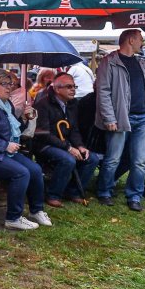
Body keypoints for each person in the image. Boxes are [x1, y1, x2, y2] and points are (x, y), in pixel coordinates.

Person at [0, 70, 51, 230]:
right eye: (4, 84)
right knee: (21, 173)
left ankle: (36, 210)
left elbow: (15, 129)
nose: (9, 87)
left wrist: (27, 118)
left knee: (35, 169)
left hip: (2, 151)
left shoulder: (7, 105)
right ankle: (13, 218)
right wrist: (4, 145)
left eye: (10, 84)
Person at [94, 30, 145, 211]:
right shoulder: (109, 62)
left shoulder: (141, 62)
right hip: (120, 116)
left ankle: (135, 196)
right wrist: (109, 118)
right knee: (113, 158)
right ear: (131, 40)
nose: (142, 43)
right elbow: (103, 92)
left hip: (144, 117)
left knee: (140, 160)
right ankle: (104, 191)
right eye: (140, 40)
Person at [34, 73, 100, 207]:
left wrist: (80, 146)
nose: (73, 90)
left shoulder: (73, 104)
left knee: (92, 158)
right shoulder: (43, 104)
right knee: (67, 159)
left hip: (64, 144)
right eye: (69, 87)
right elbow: (44, 134)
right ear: (57, 89)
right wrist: (68, 148)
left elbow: (74, 129)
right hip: (44, 145)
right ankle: (53, 194)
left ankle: (73, 192)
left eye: (74, 86)